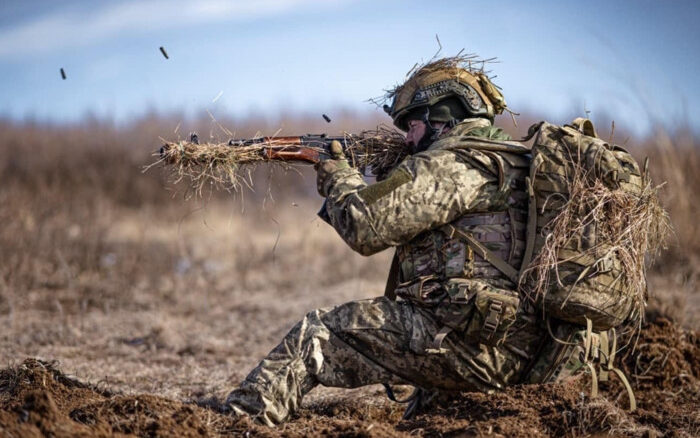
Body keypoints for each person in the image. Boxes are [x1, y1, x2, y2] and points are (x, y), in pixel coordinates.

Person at [224, 57, 547, 426]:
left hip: (473, 346)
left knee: (318, 334)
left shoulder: (454, 163)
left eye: (412, 125)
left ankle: (239, 422)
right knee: (423, 418)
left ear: (442, 115)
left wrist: (339, 177)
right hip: (513, 345)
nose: (408, 138)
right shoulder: (508, 161)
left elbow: (365, 227)